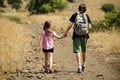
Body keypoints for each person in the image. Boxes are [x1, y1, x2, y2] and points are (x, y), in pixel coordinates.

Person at [63, 4, 92, 73]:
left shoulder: (75, 15)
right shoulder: (86, 16)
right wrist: (85, 29)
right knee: (83, 51)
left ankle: (79, 66)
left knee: (77, 51)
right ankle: (84, 65)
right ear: (85, 9)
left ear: (78, 9)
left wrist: (66, 32)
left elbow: (70, 25)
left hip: (76, 35)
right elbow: (90, 27)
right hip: (84, 35)